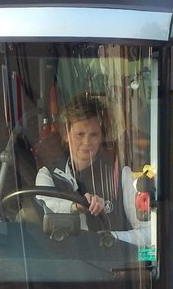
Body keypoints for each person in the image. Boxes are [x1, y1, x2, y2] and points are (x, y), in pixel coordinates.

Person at [35, 95, 147, 244]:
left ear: (102, 137)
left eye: (94, 135)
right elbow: (49, 206)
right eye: (80, 135)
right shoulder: (47, 175)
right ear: (66, 135)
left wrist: (110, 238)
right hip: (61, 262)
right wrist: (76, 207)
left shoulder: (120, 174)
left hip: (112, 263)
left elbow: (149, 234)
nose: (86, 142)